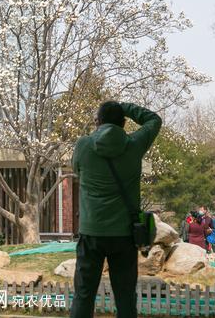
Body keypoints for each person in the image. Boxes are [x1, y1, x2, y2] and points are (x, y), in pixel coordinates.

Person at [70, 101, 162, 318]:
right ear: (123, 123)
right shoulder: (134, 145)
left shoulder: (83, 145)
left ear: (97, 122)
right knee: (125, 296)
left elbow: (76, 168)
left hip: (91, 232)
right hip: (123, 234)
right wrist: (125, 108)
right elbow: (154, 120)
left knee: (83, 295)